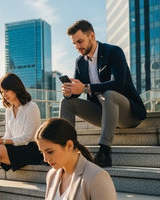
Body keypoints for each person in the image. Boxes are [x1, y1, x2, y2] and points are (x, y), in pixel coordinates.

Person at [19, 118, 121, 200]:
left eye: (49, 152)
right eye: (42, 152)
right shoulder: (52, 175)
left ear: (69, 145)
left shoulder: (97, 177)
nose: (45, 159)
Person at [59, 20, 147, 167]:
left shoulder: (113, 52)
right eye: (74, 43)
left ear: (91, 36)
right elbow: (78, 90)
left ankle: (105, 152)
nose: (77, 47)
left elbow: (118, 83)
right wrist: (69, 91)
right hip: (102, 113)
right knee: (66, 103)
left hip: (128, 114)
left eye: (80, 41)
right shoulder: (80, 61)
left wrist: (86, 88)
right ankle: (65, 150)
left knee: (109, 94)